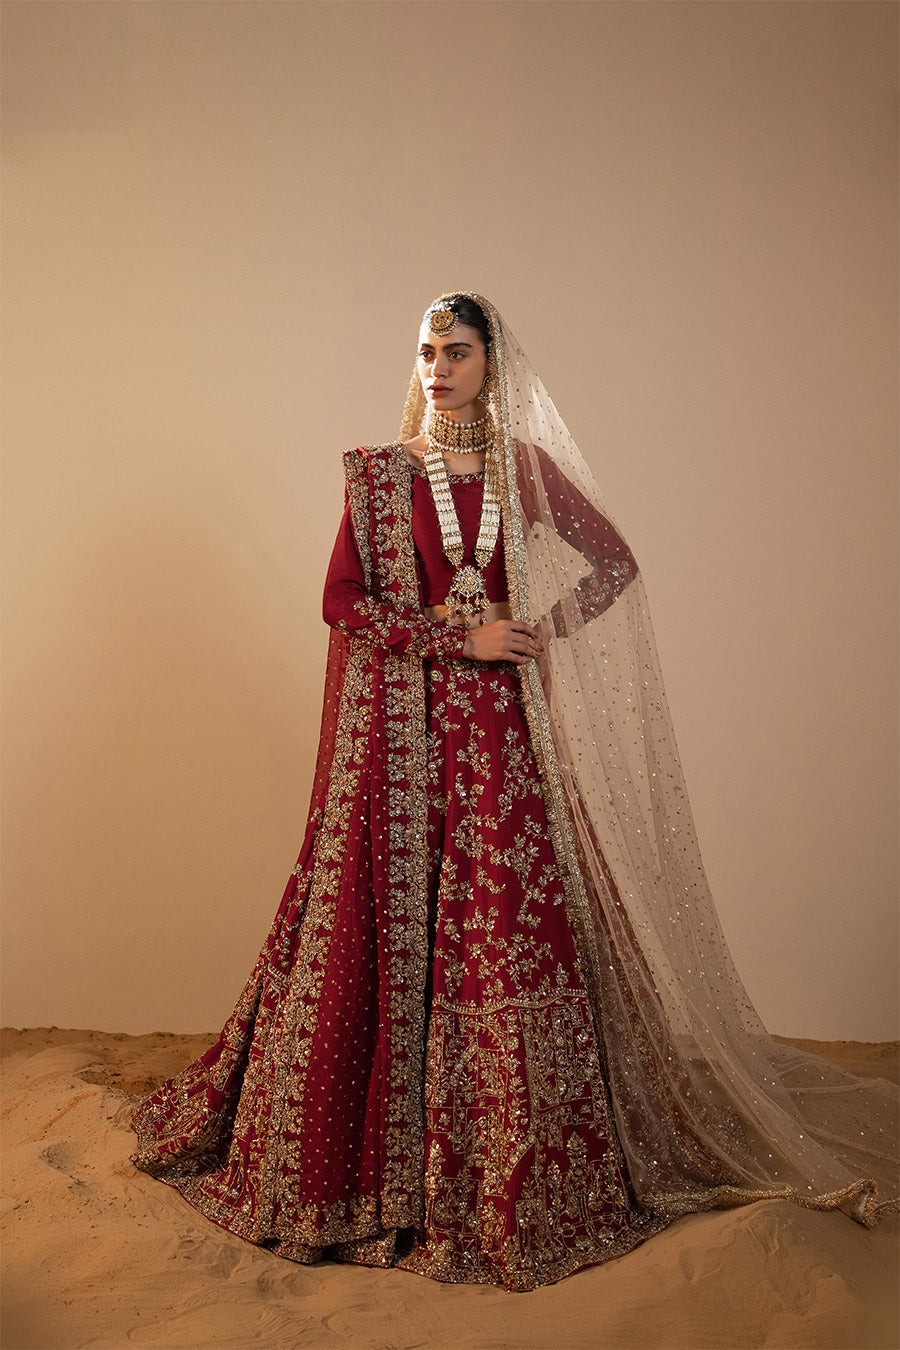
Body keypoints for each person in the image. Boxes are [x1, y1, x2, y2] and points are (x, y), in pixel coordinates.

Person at [131, 291, 898, 1292]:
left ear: (495, 362)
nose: (437, 367)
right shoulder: (384, 475)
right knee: (385, 923)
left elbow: (615, 562)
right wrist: (462, 636)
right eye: (425, 351)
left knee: (504, 930)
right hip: (399, 747)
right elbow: (341, 600)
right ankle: (376, 1165)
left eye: (456, 351)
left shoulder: (522, 472)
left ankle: (503, 1169)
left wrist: (541, 632)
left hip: (501, 733)